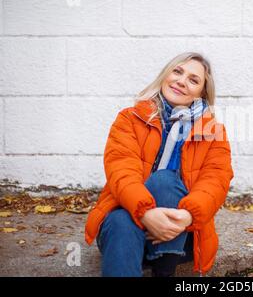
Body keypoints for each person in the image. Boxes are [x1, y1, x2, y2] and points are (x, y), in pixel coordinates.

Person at [84, 52, 234, 277]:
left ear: (201, 92)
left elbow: (216, 181)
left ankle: (164, 271)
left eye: (193, 80)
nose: (182, 81)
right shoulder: (130, 119)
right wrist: (144, 213)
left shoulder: (213, 132)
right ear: (165, 75)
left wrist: (189, 216)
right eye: (177, 71)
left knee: (165, 181)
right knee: (120, 220)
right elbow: (121, 171)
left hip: (180, 235)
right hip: (126, 229)